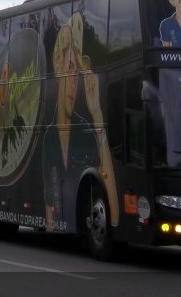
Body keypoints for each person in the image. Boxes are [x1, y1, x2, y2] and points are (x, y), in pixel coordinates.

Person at [43, 13, 119, 232]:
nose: (73, 82)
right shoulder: (48, 136)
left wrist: (97, 114)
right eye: (69, 69)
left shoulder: (87, 130)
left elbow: (114, 216)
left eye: (77, 73)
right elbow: (50, 220)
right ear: (57, 68)